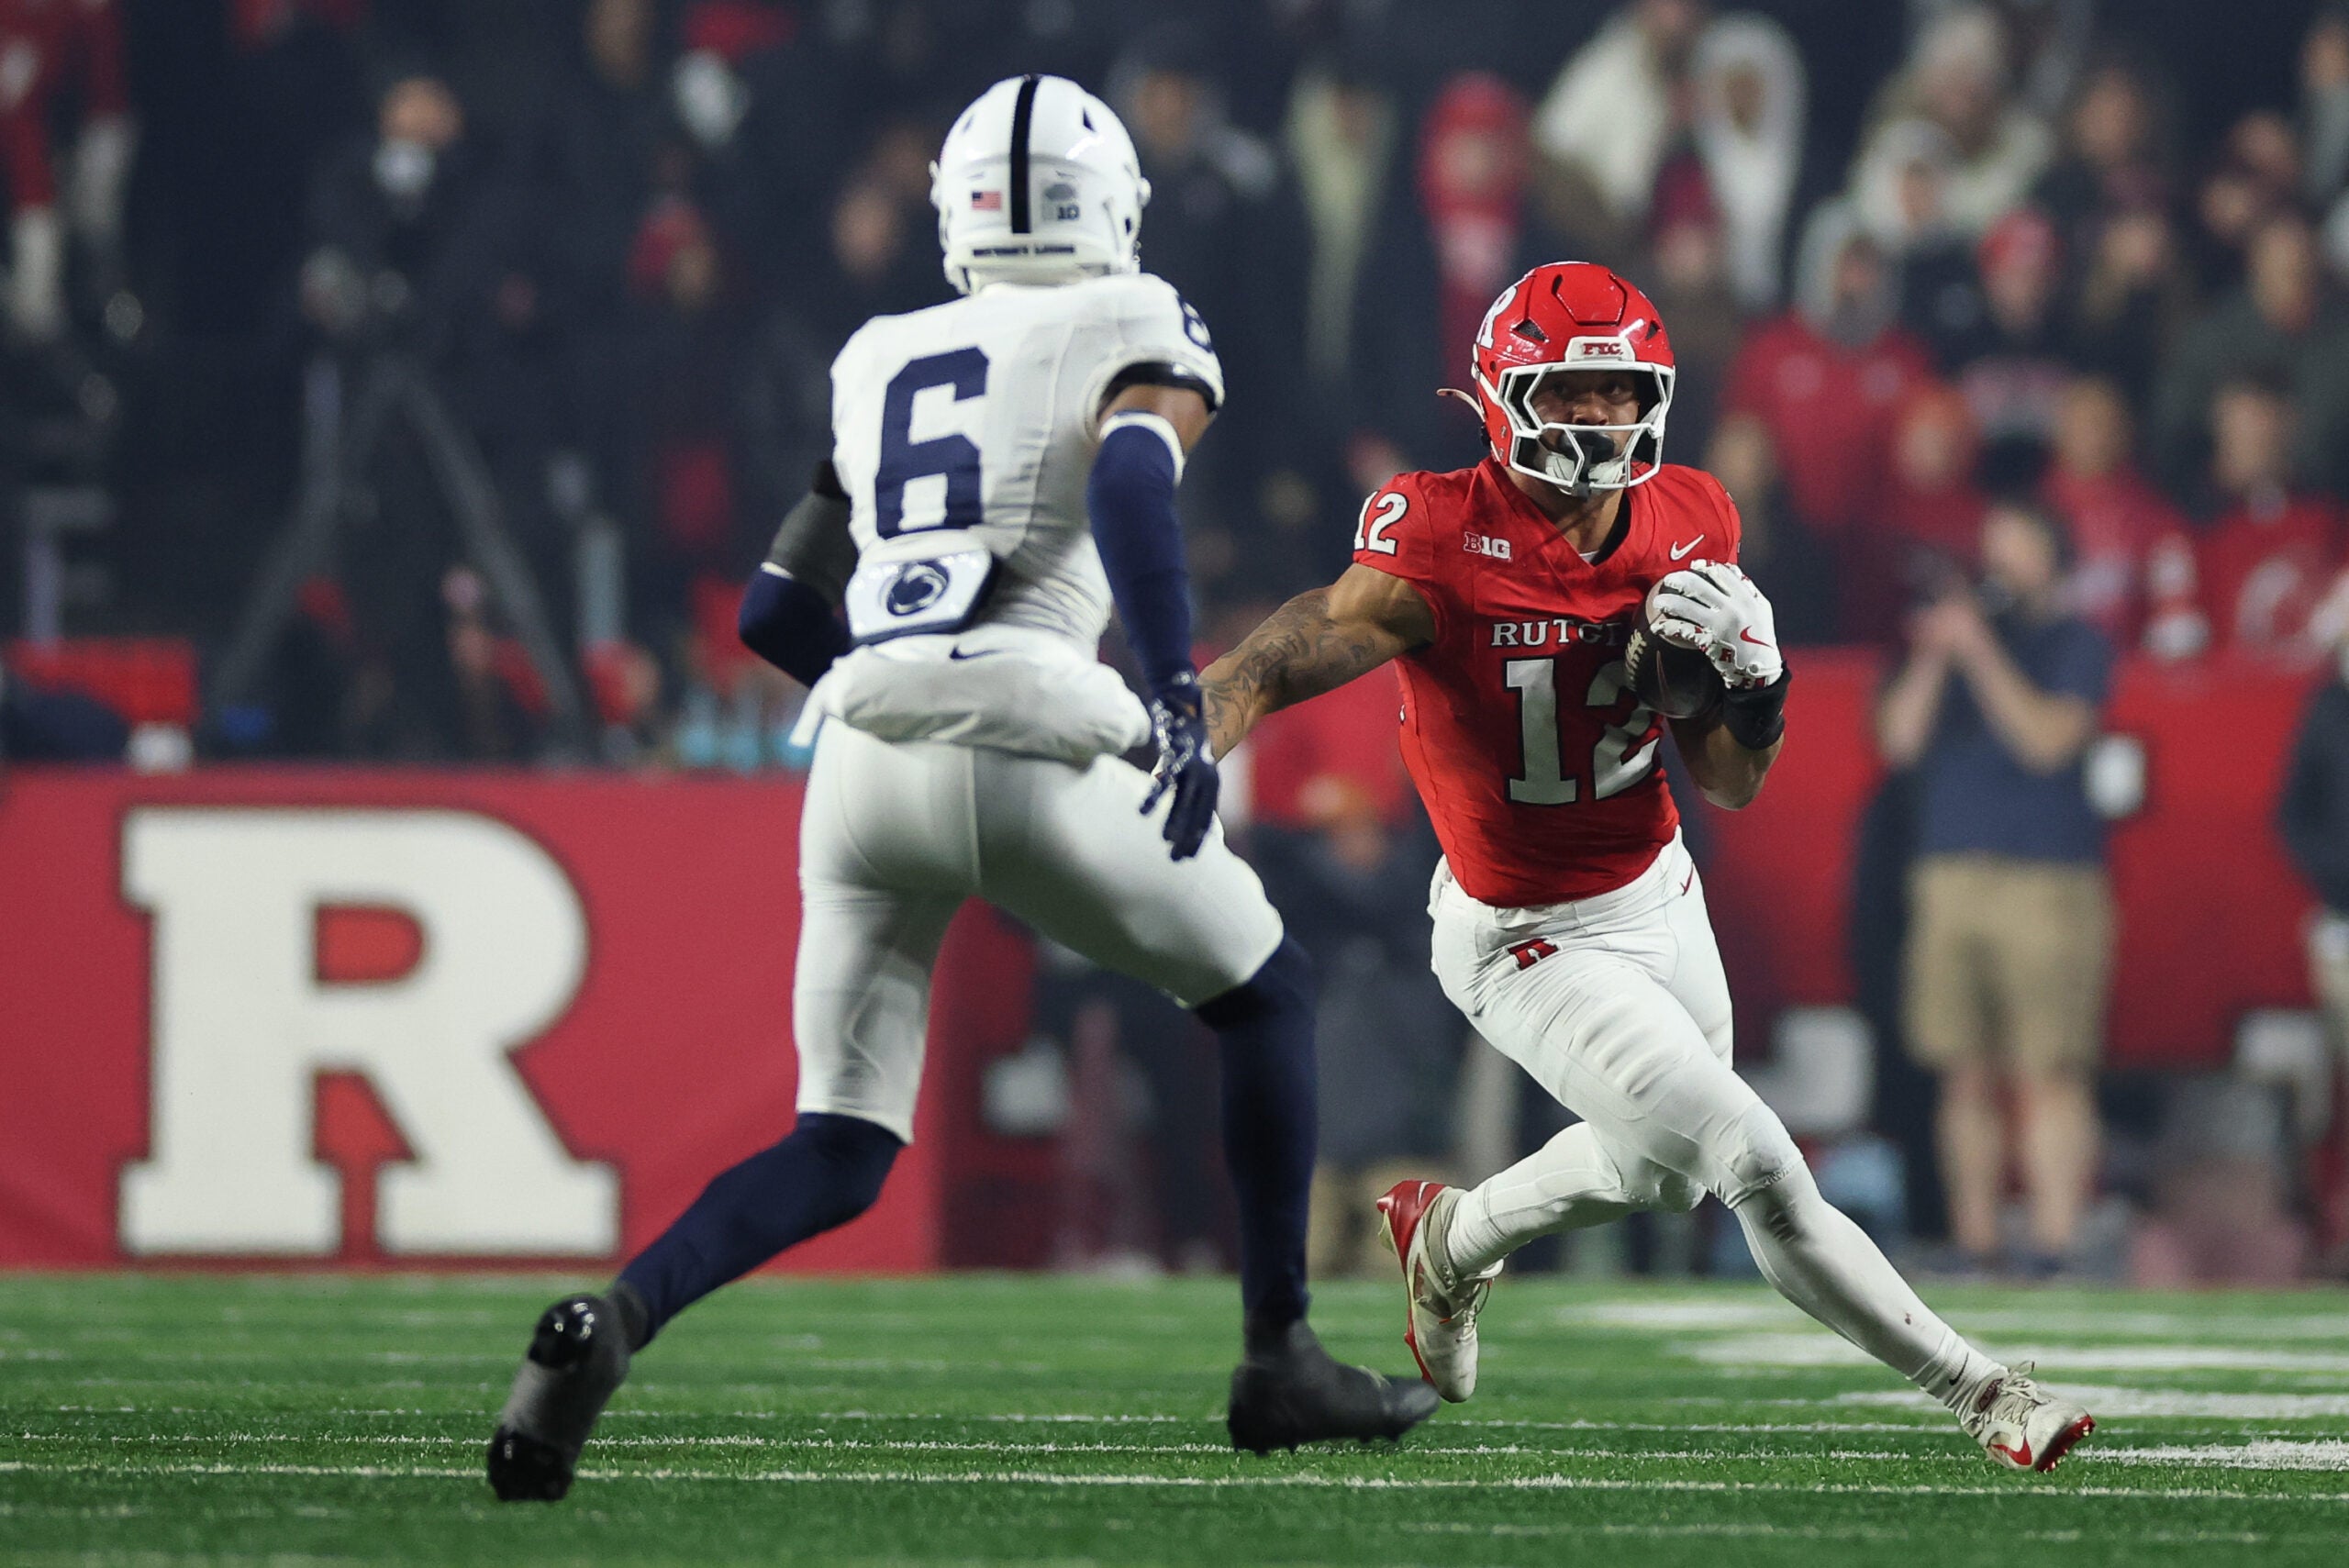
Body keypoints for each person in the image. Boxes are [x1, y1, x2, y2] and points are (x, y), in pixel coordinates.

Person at [484, 74, 1437, 1503]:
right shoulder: (1131, 316)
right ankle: (1278, 1354)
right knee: (1268, 987)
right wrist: (1177, 685)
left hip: (866, 750)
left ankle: (615, 1316)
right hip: (1038, 724)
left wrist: (896, 682)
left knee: (839, 1143)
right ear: (1111, 201)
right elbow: (1128, 482)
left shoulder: (879, 353)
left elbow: (770, 610)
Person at [1199, 261, 2095, 1472]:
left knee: (1667, 1175)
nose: (1604, 419)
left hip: (1658, 889)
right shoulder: (1442, 529)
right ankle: (1982, 1390)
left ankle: (1455, 1241)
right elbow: (1309, 638)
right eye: (1575, 394)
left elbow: (1727, 777)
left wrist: (1761, 687)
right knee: (1750, 1155)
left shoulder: (1693, 519)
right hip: (1519, 928)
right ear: (1506, 395)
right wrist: (1213, 712)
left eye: (1623, 393)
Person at [1875, 501, 2114, 1278]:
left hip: (2048, 879)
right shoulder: (1945, 644)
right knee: (1962, 1067)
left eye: (2017, 550)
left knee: (2050, 1067)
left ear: (2055, 561)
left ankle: (2055, 1242)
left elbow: (2047, 741)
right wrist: (1939, 655)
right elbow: (1898, 741)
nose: (1999, 567)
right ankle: (1976, 1240)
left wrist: (1977, 651)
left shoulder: (2075, 643)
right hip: (1949, 875)